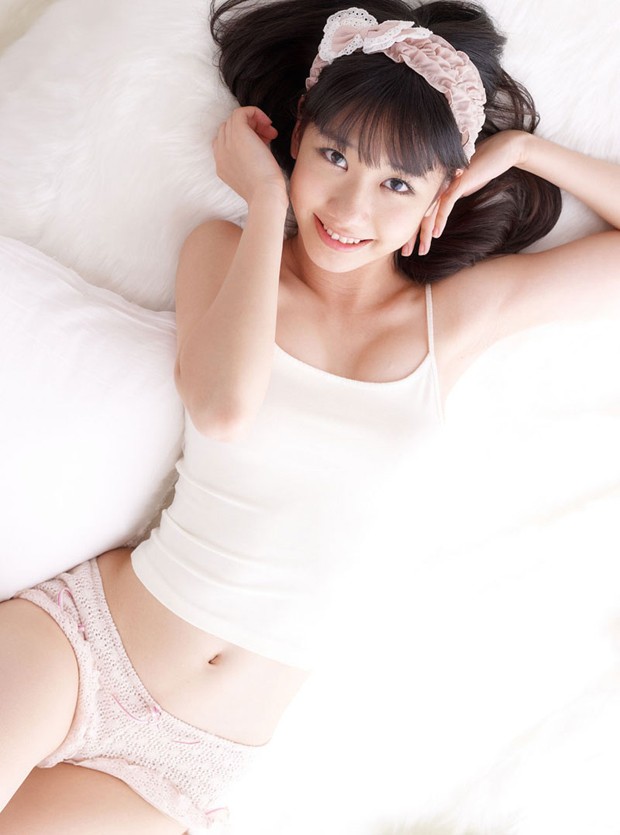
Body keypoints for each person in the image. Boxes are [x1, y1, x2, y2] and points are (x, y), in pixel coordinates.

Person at [1, 0, 618, 831]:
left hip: (188, 756)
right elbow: (223, 407)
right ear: (297, 137)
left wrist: (525, 152)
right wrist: (264, 202)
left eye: (397, 183)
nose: (351, 208)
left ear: (440, 196)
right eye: (335, 156)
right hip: (85, 644)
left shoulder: (453, 320)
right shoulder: (223, 251)